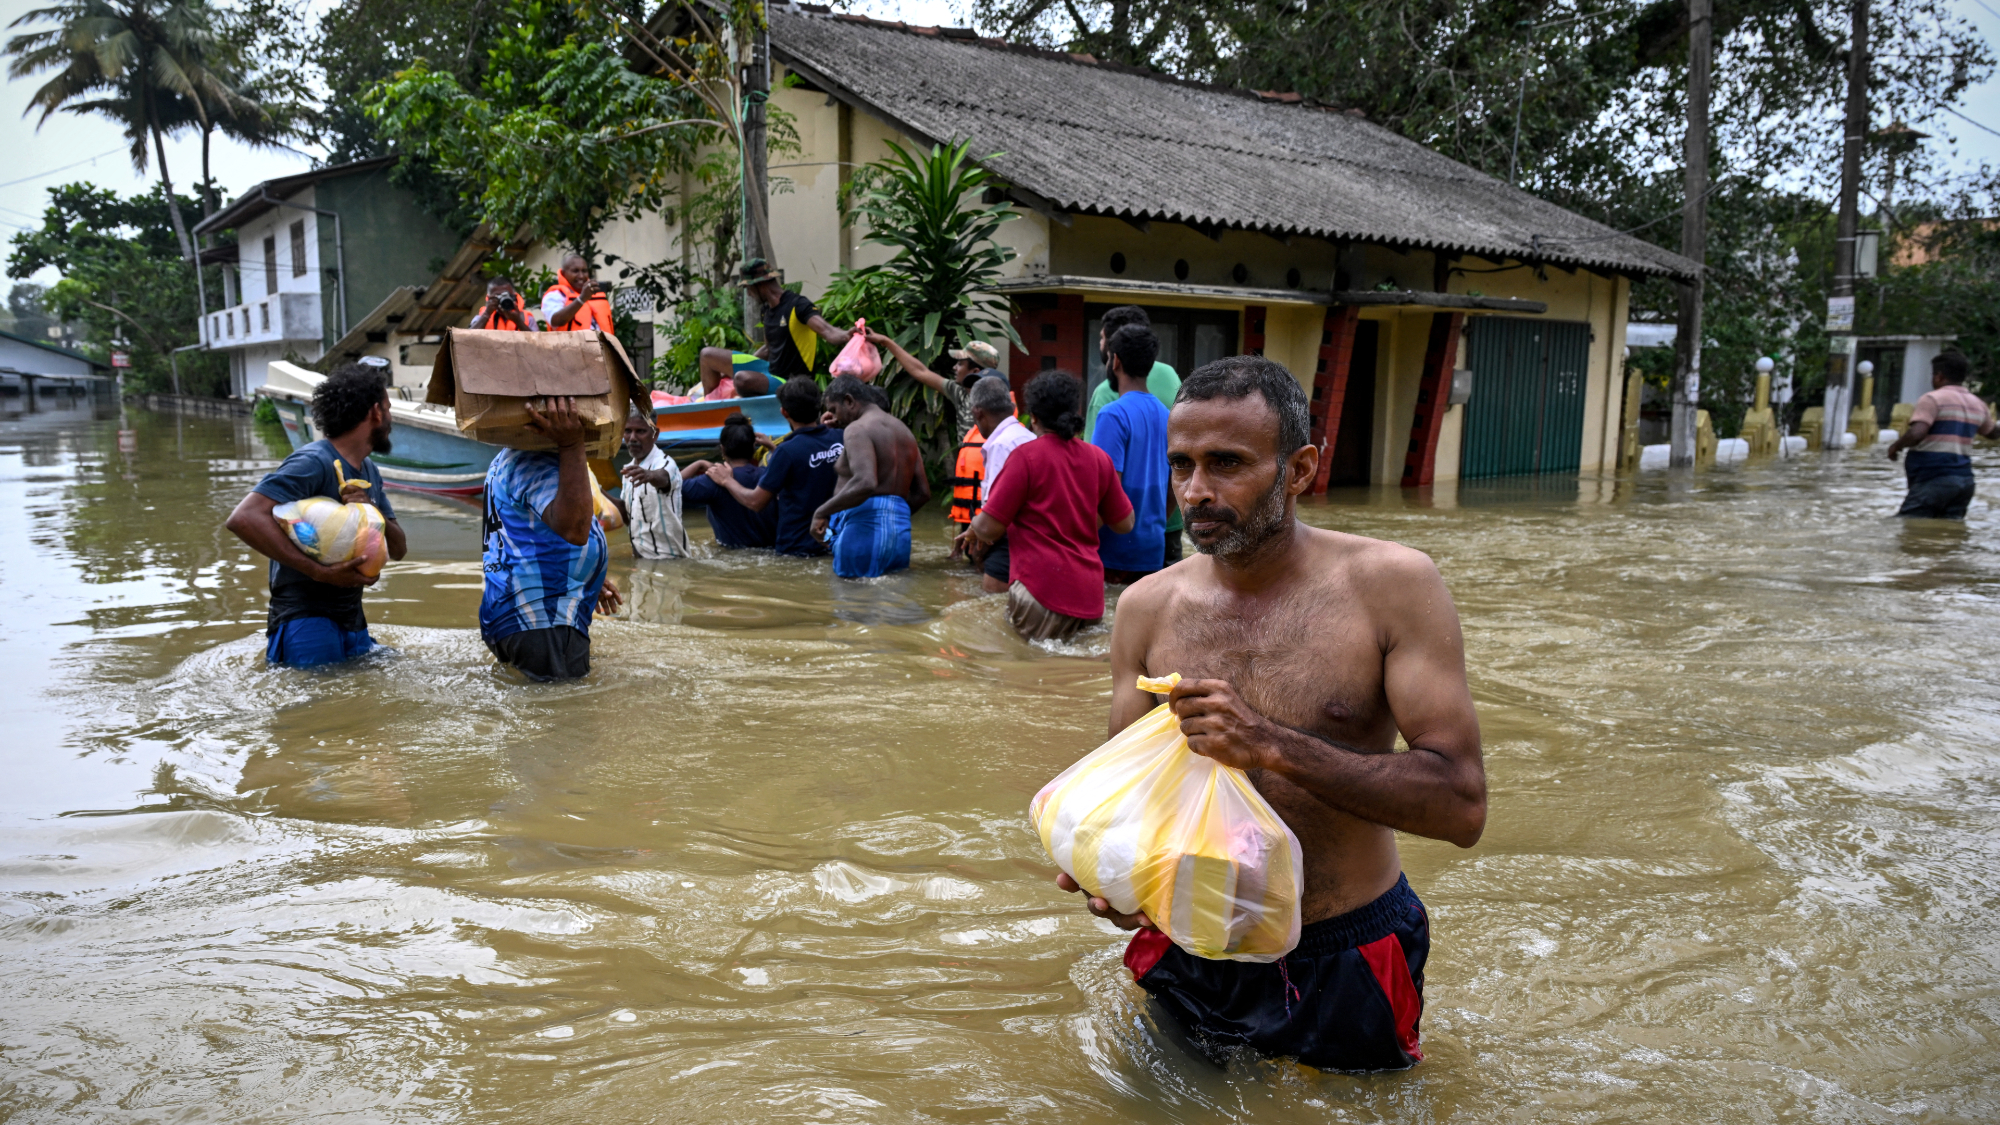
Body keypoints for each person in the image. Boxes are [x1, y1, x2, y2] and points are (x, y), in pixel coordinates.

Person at [1059, 354, 1485, 1073]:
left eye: (1227, 462)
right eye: (1182, 464)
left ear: (1300, 468)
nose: (1196, 491)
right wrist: (1115, 881)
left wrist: (1269, 744)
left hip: (1346, 948)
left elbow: (1461, 806)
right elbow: (1133, 804)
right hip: (1189, 944)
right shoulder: (1145, 609)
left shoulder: (1393, 586)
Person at [226, 362, 410, 667]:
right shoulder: (313, 461)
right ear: (376, 412)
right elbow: (244, 518)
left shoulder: (369, 471)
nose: (390, 419)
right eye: (389, 409)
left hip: (352, 622)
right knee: (314, 708)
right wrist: (319, 572)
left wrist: (370, 509)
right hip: (305, 620)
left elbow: (400, 549)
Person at [958, 371, 1134, 642]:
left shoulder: (1025, 458)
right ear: (1075, 410)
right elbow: (1125, 523)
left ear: (1034, 416)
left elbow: (990, 528)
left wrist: (973, 528)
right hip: (1089, 595)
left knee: (1030, 676)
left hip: (1040, 591)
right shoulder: (1098, 459)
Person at [479, 396, 624, 680]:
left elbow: (526, 538)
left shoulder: (508, 459)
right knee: (567, 721)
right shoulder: (532, 459)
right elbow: (575, 529)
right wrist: (572, 444)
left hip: (523, 616)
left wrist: (584, 578)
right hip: (540, 620)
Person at [865, 332, 1000, 527]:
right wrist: (886, 342)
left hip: (989, 485)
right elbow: (920, 372)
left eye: (960, 364)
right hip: (971, 481)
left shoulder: (997, 403)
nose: (954, 367)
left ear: (975, 371)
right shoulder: (960, 392)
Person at [1085, 306, 1185, 565]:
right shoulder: (1165, 414)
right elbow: (1177, 480)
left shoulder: (1112, 414)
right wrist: (1154, 525)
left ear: (1115, 360)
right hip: (1153, 547)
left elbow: (1104, 489)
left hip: (1114, 553)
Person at [704, 376, 844, 558]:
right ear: (820, 406)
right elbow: (809, 458)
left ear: (784, 412)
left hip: (797, 550)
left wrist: (726, 480)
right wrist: (774, 448)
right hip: (835, 542)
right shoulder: (841, 438)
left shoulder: (787, 452)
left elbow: (755, 502)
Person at [813, 373, 931, 579]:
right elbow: (923, 493)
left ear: (849, 401)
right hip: (899, 532)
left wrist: (821, 512)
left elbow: (865, 482)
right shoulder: (904, 431)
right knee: (892, 602)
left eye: (834, 409)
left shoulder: (857, 429)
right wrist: (890, 518)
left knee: (852, 602)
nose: (834, 416)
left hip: (863, 530)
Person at [1885, 351, 1997, 519]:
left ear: (1938, 376)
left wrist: (1896, 446)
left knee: (1906, 525)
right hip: (1965, 482)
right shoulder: (1978, 404)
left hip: (1933, 477)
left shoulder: (1932, 399)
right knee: (1948, 531)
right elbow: (1993, 434)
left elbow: (1917, 433)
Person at [956, 374, 1035, 593]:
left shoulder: (1001, 445)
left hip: (1010, 539)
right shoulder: (1026, 435)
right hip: (1032, 538)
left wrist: (981, 546)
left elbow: (998, 509)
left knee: (992, 603)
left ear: (977, 412)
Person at [738, 258, 850, 380]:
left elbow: (828, 331)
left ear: (759, 284)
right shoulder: (766, 310)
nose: (749, 294)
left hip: (797, 386)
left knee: (743, 379)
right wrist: (742, 365)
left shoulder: (797, 305)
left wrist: (849, 335)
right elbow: (768, 349)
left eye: (748, 288)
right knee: (717, 359)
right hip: (774, 382)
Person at [679, 413, 779, 549]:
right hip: (771, 551)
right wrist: (773, 447)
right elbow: (784, 469)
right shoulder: (769, 475)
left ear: (723, 449)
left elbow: (673, 486)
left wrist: (699, 463)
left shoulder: (713, 481)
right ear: (753, 448)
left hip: (733, 555)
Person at [616, 407, 691, 559]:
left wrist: (649, 475)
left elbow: (662, 477)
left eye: (640, 431)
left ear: (655, 434)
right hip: (641, 561)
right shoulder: (628, 470)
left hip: (670, 562)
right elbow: (626, 514)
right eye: (628, 431)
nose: (632, 438)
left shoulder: (666, 464)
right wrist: (596, 489)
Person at [543, 254, 615, 333]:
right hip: (570, 345)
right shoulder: (555, 295)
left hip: (602, 344)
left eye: (584, 271)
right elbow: (556, 321)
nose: (581, 276)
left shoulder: (597, 294)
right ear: (563, 273)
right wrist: (582, 299)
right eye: (575, 271)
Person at [469, 276, 539, 331]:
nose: (503, 299)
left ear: (514, 296)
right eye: (498, 297)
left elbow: (537, 344)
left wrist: (518, 321)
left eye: (507, 295)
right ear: (489, 298)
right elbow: (468, 339)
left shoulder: (527, 318)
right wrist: (486, 314)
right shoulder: (481, 317)